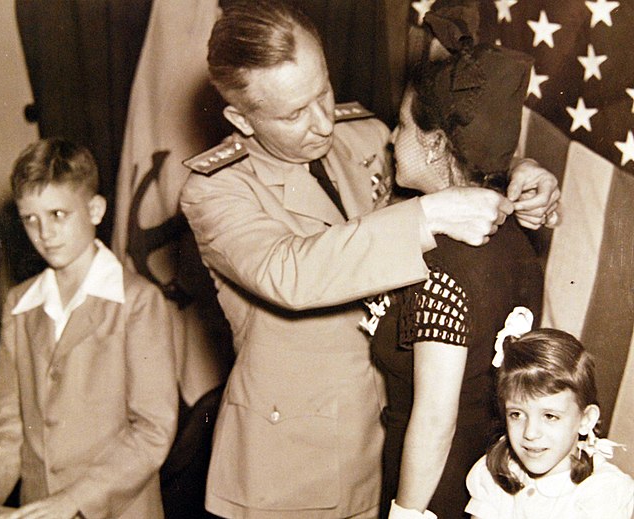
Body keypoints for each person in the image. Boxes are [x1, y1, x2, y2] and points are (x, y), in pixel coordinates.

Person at [180, 1, 559, 517]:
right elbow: (294, 272)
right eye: (293, 113)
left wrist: (518, 173)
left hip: (391, 447)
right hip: (293, 466)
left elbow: (435, 157)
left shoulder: (357, 132)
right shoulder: (217, 191)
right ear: (239, 119)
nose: (320, 124)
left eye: (323, 92)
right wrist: (427, 216)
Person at [369, 7, 544, 518]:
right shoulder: (512, 225)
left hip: (435, 485)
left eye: (402, 126)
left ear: (436, 142)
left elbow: (435, 416)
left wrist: (407, 512)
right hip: (488, 469)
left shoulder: (441, 264)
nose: (391, 139)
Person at [0, 138, 178, 519]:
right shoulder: (19, 304)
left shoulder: (138, 302)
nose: (44, 233)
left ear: (95, 209)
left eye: (58, 214)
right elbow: (10, 427)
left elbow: (152, 431)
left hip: (119, 510)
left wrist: (74, 499)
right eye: (31, 219)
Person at [465, 320, 634, 518]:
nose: (530, 432)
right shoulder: (495, 474)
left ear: (586, 419)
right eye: (517, 414)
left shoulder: (603, 491)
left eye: (550, 416)